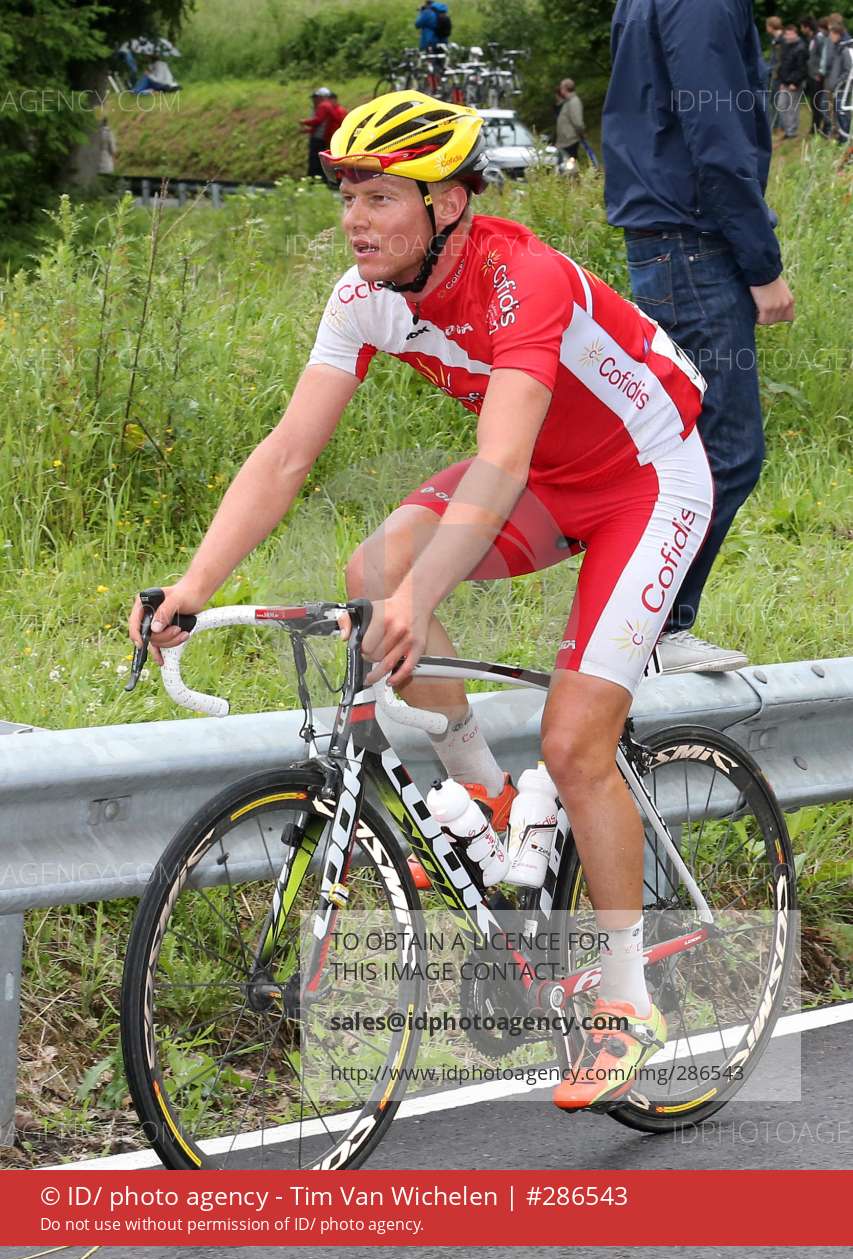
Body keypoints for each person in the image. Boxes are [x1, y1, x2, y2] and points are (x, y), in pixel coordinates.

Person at [128, 90, 717, 1110]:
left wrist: (424, 592)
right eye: (346, 197)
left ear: (445, 203)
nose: (354, 220)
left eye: (380, 198)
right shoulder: (363, 296)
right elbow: (287, 453)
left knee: (574, 741)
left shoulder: (519, 278)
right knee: (374, 570)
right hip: (545, 479)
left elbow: (498, 461)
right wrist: (191, 585)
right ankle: (492, 804)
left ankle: (627, 1005)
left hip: (647, 479)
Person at [602, 0, 795, 674]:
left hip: (668, 237)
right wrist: (762, 264)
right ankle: (650, 629)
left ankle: (640, 628)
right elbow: (715, 134)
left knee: (681, 442)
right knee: (725, 449)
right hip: (693, 242)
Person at [301, 88, 344, 181]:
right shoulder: (331, 107)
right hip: (326, 137)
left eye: (316, 97)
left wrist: (304, 122)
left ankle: (314, 179)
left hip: (320, 138)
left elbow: (318, 120)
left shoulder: (324, 106)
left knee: (315, 160)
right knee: (322, 160)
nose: (314, 100)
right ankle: (322, 179)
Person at [777, 22, 809, 137]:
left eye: (790, 34)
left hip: (794, 84)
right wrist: (782, 81)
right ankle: (787, 129)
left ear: (796, 34)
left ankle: (791, 132)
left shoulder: (801, 48)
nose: (788, 37)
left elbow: (802, 68)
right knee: (781, 105)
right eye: (787, 34)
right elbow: (783, 65)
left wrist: (794, 82)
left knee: (792, 108)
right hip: (784, 82)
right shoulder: (786, 46)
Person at [800, 15, 830, 133]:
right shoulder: (812, 38)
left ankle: (820, 127)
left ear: (807, 27)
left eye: (802, 27)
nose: (801, 29)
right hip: (812, 75)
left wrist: (820, 73)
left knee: (818, 103)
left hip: (818, 76)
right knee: (814, 103)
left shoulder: (819, 38)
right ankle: (815, 127)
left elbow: (824, 55)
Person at [826, 16, 853, 138]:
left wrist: (838, 83)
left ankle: (845, 138)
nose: (830, 37)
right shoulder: (839, 47)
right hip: (837, 88)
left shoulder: (845, 50)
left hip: (842, 88)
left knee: (843, 112)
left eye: (831, 34)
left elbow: (848, 71)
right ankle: (841, 136)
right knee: (838, 112)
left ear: (837, 34)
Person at [765, 15, 785, 128]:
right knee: (773, 100)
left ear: (771, 26)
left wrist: (775, 73)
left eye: (767, 25)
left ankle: (778, 125)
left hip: (778, 75)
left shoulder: (781, 41)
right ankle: (775, 124)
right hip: (773, 73)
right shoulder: (775, 40)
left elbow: (780, 60)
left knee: (776, 100)